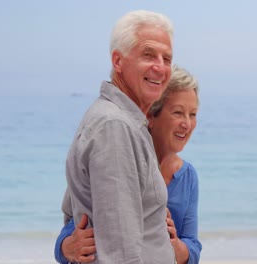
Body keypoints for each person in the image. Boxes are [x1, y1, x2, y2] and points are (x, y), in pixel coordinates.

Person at [55, 66, 202, 264]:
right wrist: (64, 248)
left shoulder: (187, 176)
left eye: (192, 114)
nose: (187, 124)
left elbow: (192, 247)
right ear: (150, 116)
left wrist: (174, 246)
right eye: (178, 113)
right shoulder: (113, 155)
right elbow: (75, 219)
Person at [61, 10, 175, 263]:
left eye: (167, 58)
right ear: (118, 61)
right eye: (148, 55)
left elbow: (74, 209)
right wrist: (65, 247)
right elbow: (120, 253)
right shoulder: (115, 127)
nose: (160, 67)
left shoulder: (123, 122)